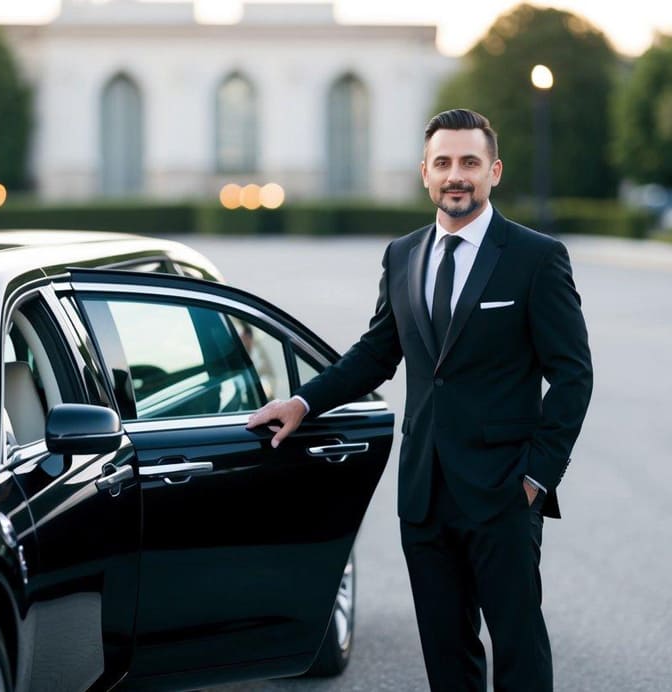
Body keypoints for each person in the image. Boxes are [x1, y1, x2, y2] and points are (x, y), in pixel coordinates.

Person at [246, 108, 592, 692]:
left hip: (505, 491)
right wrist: (304, 402)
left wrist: (538, 474)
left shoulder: (536, 257)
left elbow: (574, 374)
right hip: (425, 493)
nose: (456, 175)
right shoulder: (403, 255)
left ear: (494, 171)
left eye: (470, 163)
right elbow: (377, 353)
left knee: (518, 646)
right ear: (425, 174)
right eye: (444, 163)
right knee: (444, 652)